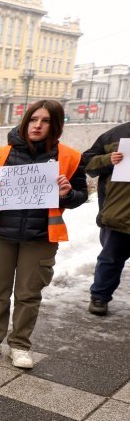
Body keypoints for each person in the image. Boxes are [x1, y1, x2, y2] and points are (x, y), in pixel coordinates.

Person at [0, 99, 87, 368]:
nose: (38, 125)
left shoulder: (70, 157)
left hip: (41, 236)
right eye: (34, 119)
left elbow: (81, 196)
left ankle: (20, 345)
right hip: (0, 233)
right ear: (25, 122)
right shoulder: (1, 153)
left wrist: (68, 193)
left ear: (55, 125)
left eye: (45, 121)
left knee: (28, 294)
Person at [81, 120, 130, 316]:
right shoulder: (115, 135)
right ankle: (100, 297)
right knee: (111, 257)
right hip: (119, 213)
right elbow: (86, 164)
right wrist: (108, 159)